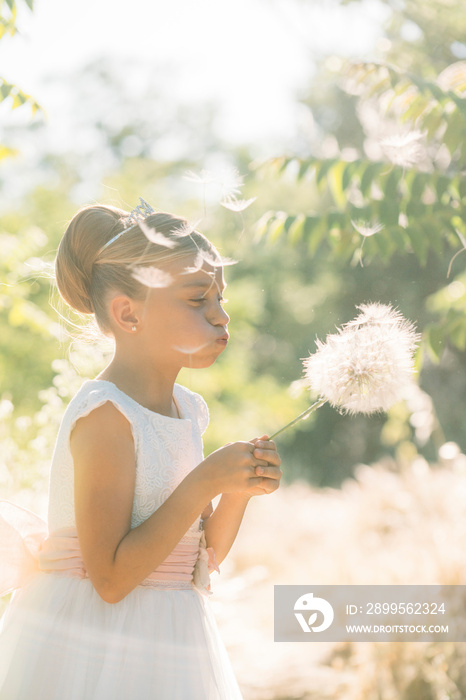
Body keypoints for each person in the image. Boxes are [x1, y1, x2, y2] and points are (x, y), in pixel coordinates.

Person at [0, 199, 282, 699]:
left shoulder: (186, 410)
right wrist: (206, 481)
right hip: (98, 643)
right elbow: (109, 578)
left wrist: (237, 490)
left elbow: (198, 561)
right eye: (198, 300)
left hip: (173, 633)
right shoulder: (107, 415)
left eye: (220, 297)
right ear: (128, 313)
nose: (222, 315)